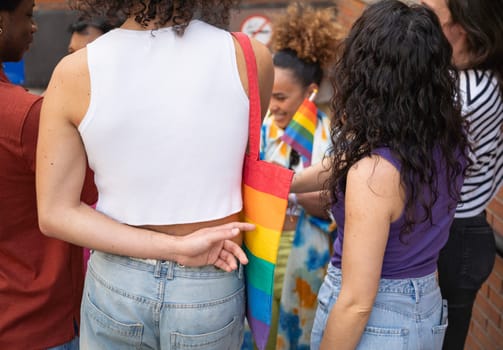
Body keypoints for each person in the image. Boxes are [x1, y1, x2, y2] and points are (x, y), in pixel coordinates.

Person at [36, 0, 274, 348]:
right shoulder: (249, 57)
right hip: (211, 276)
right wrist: (179, 248)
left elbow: (55, 213)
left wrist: (173, 248)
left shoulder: (74, 71)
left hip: (118, 280)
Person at [291, 0, 470, 348]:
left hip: (380, 321)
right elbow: (349, 159)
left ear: (366, 74)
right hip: (424, 305)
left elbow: (357, 303)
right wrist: (290, 181)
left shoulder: (373, 173)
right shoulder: (444, 137)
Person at [0, 0, 98, 349]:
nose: (34, 27)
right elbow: (92, 195)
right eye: (27, 15)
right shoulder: (26, 117)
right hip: (39, 320)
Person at [257, 3, 343, 349]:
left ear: (309, 92)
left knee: (297, 336)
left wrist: (304, 194)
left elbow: (335, 206)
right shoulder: (260, 132)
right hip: (260, 256)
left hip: (307, 261)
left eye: (280, 97)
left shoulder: (331, 140)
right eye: (269, 96)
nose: (273, 105)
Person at [420, 0, 503, 349]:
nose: (419, 21)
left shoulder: (469, 93)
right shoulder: (453, 74)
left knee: (441, 340)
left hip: (458, 236)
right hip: (451, 228)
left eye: (431, 17)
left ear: (464, 31)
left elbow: (415, 157)